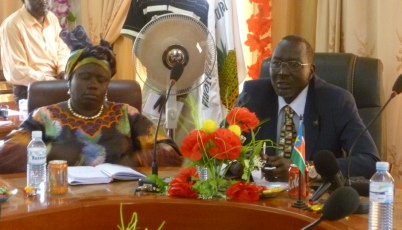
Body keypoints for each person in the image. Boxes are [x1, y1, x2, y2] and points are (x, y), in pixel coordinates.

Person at [0, 26, 182, 174]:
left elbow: (171, 153)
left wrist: (132, 161)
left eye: (102, 80)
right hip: (59, 200)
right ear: (69, 81)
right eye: (86, 77)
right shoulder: (44, 116)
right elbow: (5, 156)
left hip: (119, 200)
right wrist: (49, 153)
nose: (94, 84)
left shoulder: (126, 114)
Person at [237, 35, 380, 180]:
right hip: (260, 197)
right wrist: (237, 164)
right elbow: (221, 149)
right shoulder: (253, 95)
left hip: (314, 198)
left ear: (311, 72)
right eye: (276, 63)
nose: (282, 72)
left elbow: (370, 161)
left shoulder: (336, 102)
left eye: (293, 65)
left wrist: (303, 169)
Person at [0, 0, 70, 104]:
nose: (44, 1)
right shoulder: (12, 25)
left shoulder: (51, 18)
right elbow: (17, 71)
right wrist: (53, 83)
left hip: (58, 84)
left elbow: (62, 49)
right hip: (29, 90)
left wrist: (62, 70)